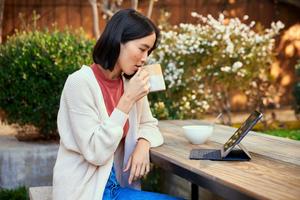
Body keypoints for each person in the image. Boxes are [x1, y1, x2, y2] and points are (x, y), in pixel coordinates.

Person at [53, 9, 183, 200]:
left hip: (116, 187)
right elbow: (96, 152)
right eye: (142, 48)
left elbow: (149, 125)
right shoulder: (79, 83)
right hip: (86, 191)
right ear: (119, 40)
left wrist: (143, 144)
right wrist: (127, 99)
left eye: (149, 51)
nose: (145, 58)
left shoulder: (131, 83)